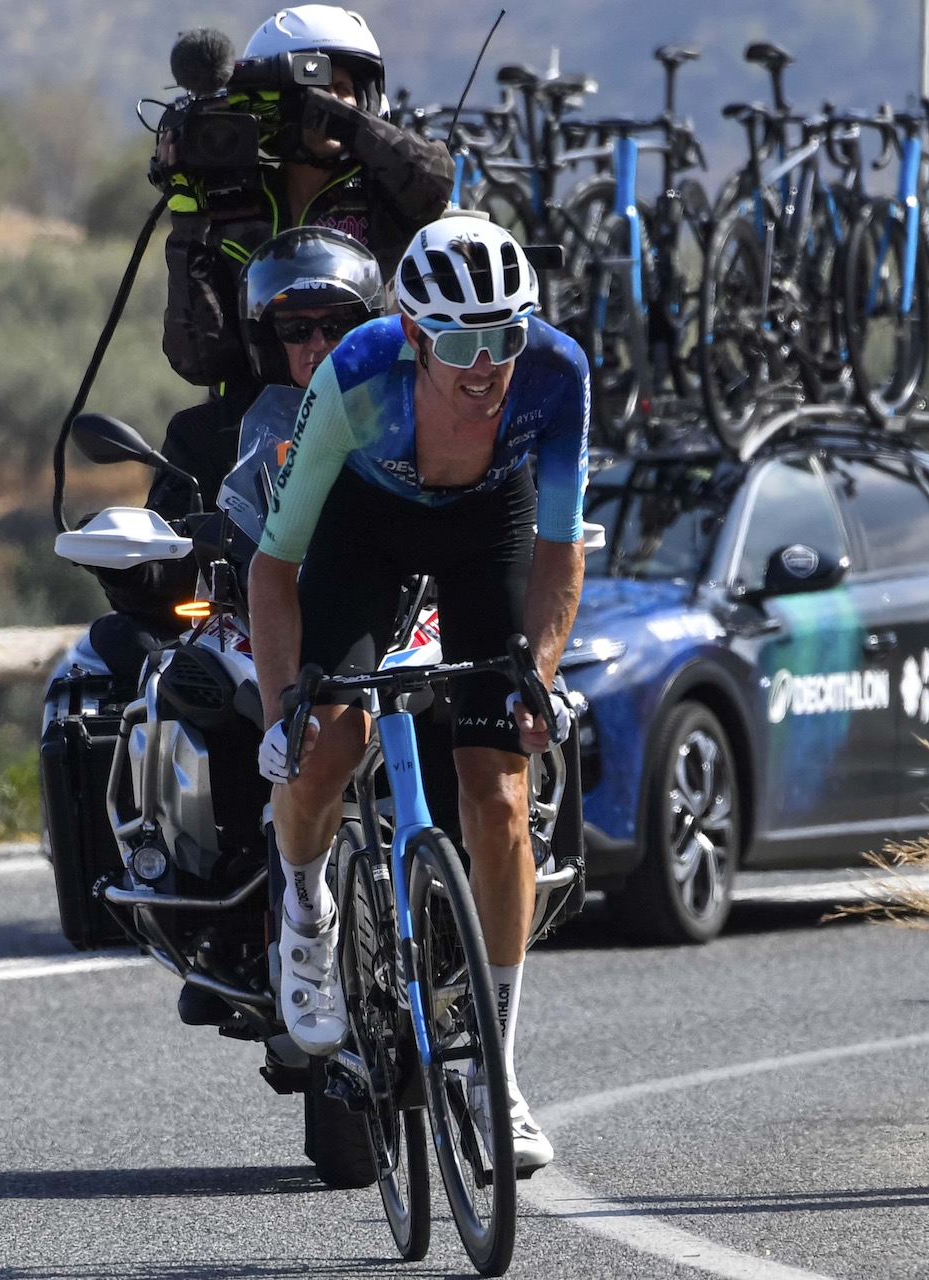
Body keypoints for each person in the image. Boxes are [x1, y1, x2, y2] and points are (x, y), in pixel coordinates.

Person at [248, 215, 591, 1173]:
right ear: (412, 334)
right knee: (327, 741)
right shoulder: (357, 379)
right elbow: (275, 568)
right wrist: (284, 704)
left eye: (505, 338)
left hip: (491, 525)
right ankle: (307, 909)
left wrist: (540, 677)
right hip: (365, 525)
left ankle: (498, 1077)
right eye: (459, 343)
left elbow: (560, 554)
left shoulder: (557, 376)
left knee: (500, 794)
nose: (486, 367)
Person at [92, 226, 383, 691]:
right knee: (143, 660)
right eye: (296, 329)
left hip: (390, 616)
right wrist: (126, 559)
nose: (318, 344)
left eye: (336, 326)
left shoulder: (404, 420)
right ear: (267, 337)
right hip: (244, 623)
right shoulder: (207, 436)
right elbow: (167, 566)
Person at [155, 5, 454, 390]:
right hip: (259, 424)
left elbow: (436, 181)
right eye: (311, 91)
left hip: (373, 408)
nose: (325, 99)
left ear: (366, 98)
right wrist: (187, 223)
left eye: (341, 89)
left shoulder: (388, 193)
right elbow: (199, 361)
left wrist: (330, 116)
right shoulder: (234, 201)